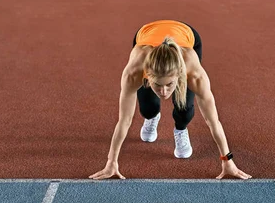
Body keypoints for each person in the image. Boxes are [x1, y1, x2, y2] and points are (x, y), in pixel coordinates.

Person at [89, 20, 252, 180]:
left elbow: (213, 121)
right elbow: (124, 120)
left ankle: (180, 129)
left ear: (180, 75)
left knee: (185, 109)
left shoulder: (194, 73)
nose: (164, 92)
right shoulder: (134, 72)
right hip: (146, 34)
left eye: (170, 84)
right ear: (148, 77)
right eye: (157, 85)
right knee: (148, 109)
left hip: (187, 37)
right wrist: (111, 162)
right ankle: (152, 117)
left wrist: (227, 160)